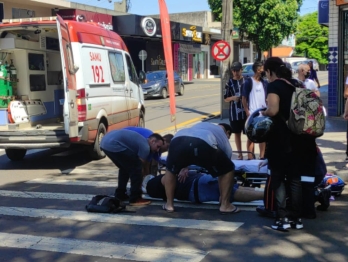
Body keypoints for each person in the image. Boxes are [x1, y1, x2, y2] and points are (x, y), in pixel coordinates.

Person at [260, 57, 306, 231]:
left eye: (266, 73)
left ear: (270, 71)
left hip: (279, 140)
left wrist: (264, 112)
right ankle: (297, 219)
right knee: (295, 180)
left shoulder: (274, 86)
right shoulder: (296, 84)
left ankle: (282, 219)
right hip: (298, 139)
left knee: (278, 179)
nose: (266, 76)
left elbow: (273, 110)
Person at [162, 122, 238, 213]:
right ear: (227, 133)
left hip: (177, 140)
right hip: (203, 141)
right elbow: (224, 171)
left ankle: (169, 204)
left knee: (170, 171)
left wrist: (184, 167)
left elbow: (188, 144)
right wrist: (222, 196)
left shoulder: (198, 126)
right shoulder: (223, 135)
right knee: (229, 169)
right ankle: (225, 205)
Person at [100, 129, 164, 206]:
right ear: (152, 141)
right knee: (136, 168)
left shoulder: (142, 141)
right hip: (113, 144)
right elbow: (140, 168)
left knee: (124, 168)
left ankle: (120, 194)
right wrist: (142, 184)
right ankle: (135, 198)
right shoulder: (145, 147)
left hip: (104, 143)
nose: (157, 150)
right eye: (158, 147)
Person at [144, 171, 264, 203]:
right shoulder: (153, 184)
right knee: (231, 192)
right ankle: (267, 194)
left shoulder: (153, 185)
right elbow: (168, 180)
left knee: (233, 189)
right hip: (196, 186)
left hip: (196, 184)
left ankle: (267, 193)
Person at [242, 61, 267, 160]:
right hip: (252, 113)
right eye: (262, 68)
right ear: (257, 70)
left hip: (263, 113)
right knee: (251, 137)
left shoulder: (264, 82)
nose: (264, 70)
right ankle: (250, 157)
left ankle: (261, 157)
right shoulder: (249, 82)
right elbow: (244, 98)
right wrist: (247, 111)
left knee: (263, 137)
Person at [224, 61, 247, 160]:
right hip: (234, 113)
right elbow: (225, 98)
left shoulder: (246, 81)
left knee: (249, 134)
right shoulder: (229, 83)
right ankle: (240, 154)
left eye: (237, 70)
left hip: (246, 112)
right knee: (237, 134)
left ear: (241, 70)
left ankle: (250, 154)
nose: (236, 72)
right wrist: (233, 98)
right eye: (233, 70)